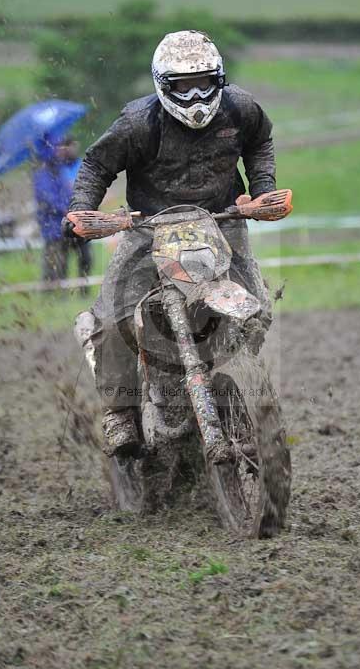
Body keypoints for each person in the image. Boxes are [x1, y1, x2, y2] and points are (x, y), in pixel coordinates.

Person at [64, 30, 276, 456]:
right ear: (163, 85)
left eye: (203, 83)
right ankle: (120, 411)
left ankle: (228, 377)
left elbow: (260, 143)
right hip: (149, 229)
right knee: (112, 321)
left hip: (222, 221)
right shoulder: (138, 123)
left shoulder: (241, 109)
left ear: (219, 80)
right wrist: (82, 210)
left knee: (257, 310)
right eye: (183, 86)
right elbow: (95, 164)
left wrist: (260, 190)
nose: (195, 95)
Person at [32, 136, 92, 284]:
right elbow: (47, 198)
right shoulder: (43, 174)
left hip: (66, 223)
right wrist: (65, 209)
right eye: (56, 148)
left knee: (78, 258)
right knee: (55, 262)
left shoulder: (59, 171)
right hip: (52, 225)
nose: (60, 151)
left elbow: (66, 193)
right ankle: (52, 293)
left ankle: (74, 289)